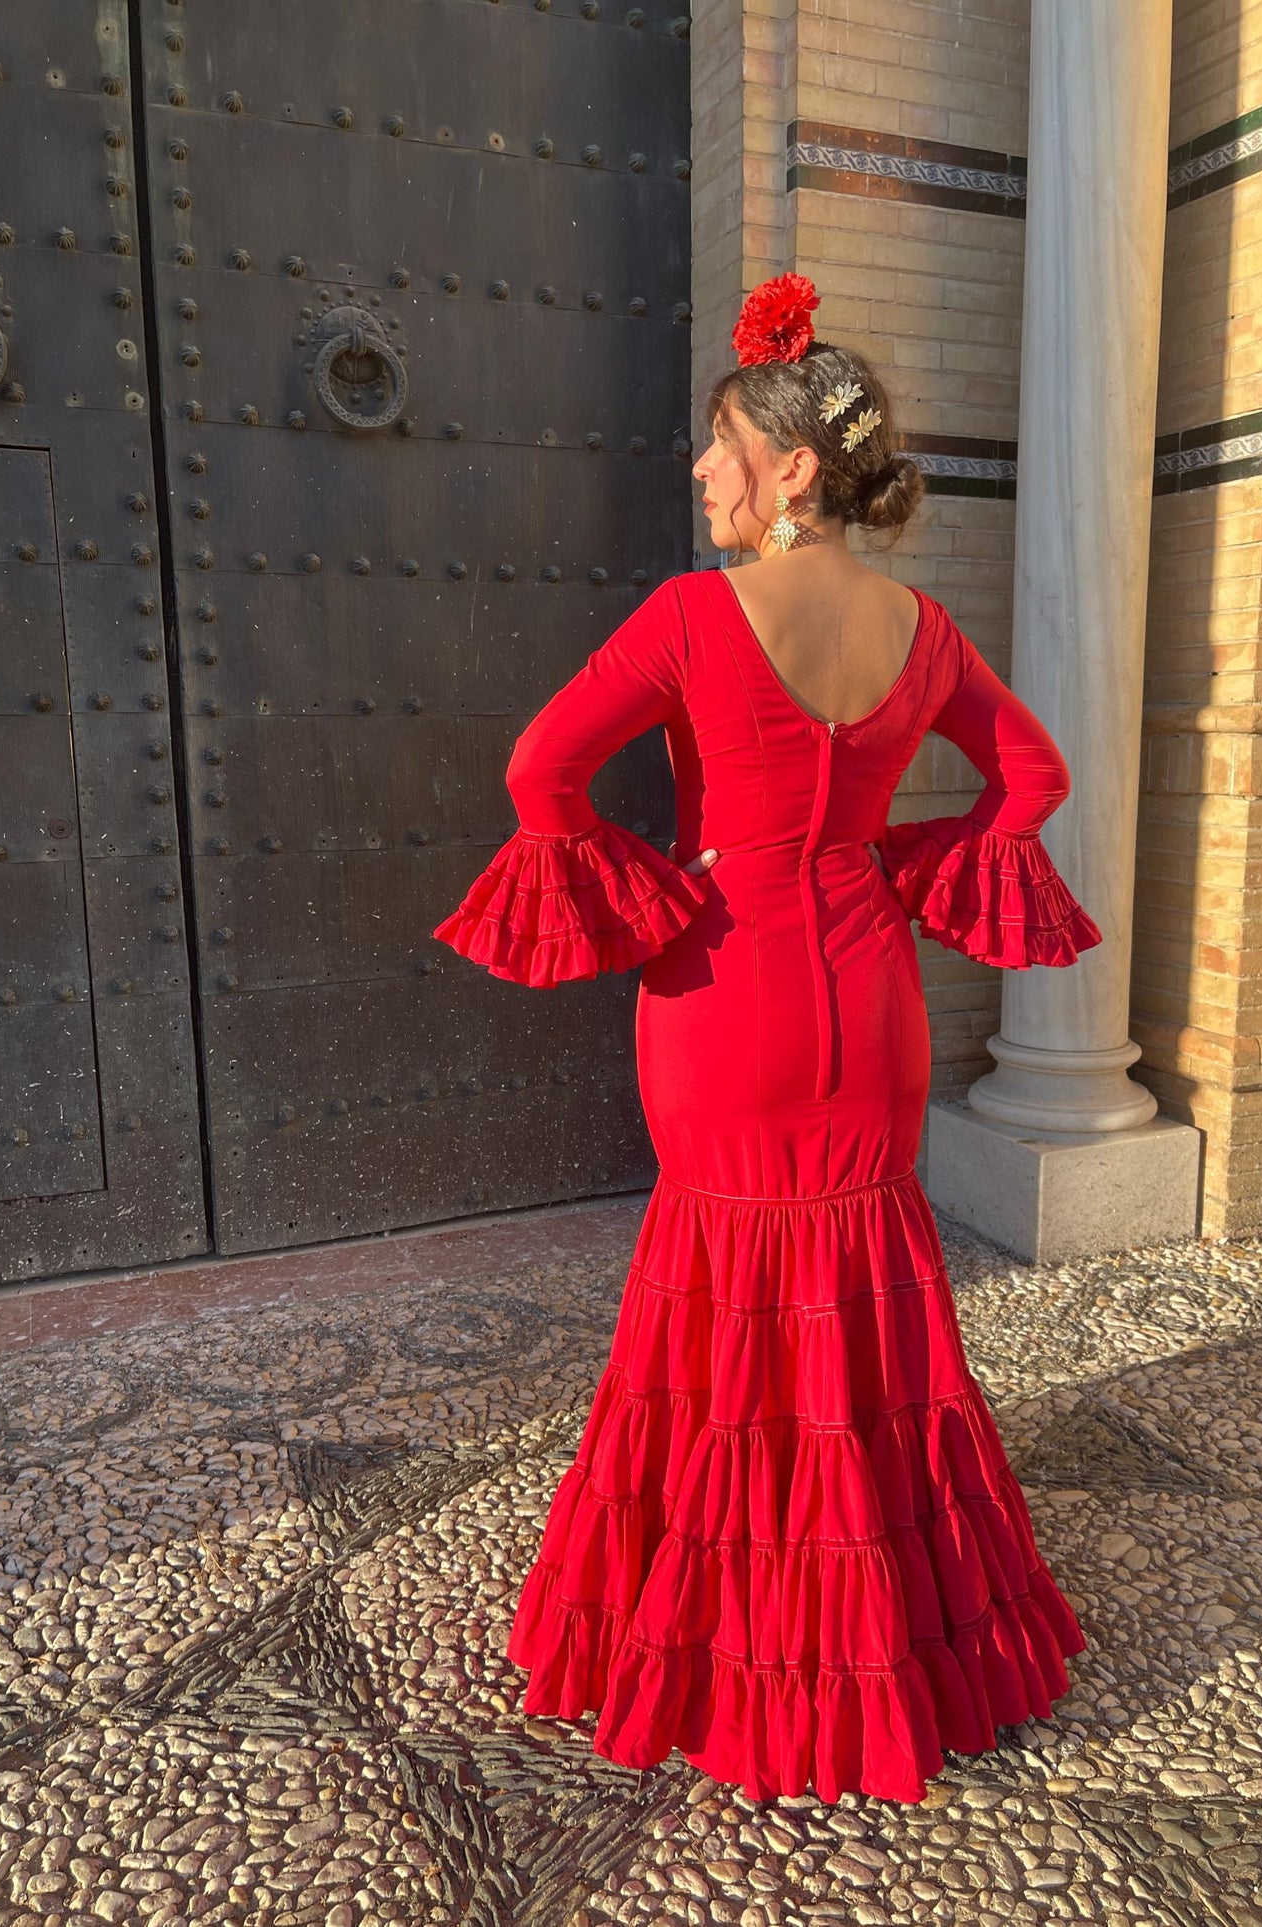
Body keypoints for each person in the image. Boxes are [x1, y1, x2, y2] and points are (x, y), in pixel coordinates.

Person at [432, 271, 1103, 1804]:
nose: (700, 469)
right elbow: (1032, 776)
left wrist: (658, 898)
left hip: (720, 993)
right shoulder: (922, 626)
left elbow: (540, 776)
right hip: (869, 1000)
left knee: (724, 1293)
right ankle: (899, 1637)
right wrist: (905, 868)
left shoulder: (688, 615)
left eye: (720, 440)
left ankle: (719, 1637)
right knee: (863, 1293)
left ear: (794, 466)